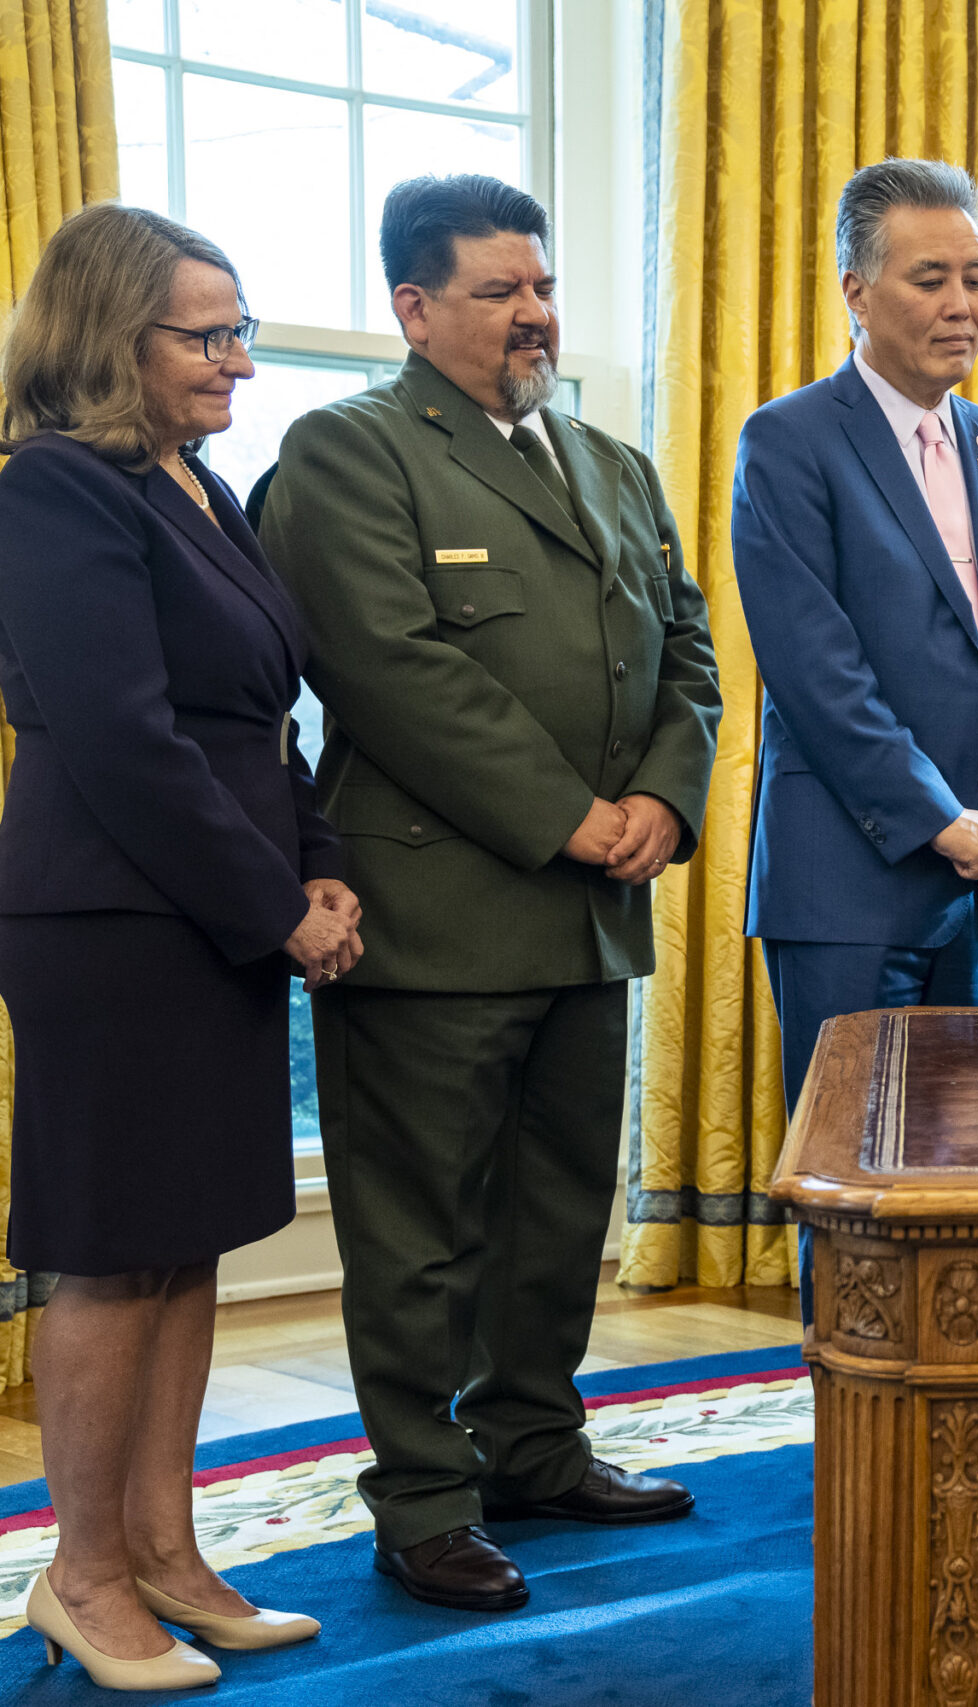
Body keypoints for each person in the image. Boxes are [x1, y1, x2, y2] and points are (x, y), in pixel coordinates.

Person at [260, 175, 721, 1611]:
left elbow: (690, 655)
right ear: (412, 306)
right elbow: (393, 673)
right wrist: (574, 815)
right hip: (436, 919)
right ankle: (422, 1498)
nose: (536, 313)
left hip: (589, 919)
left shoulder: (612, 464)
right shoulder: (349, 453)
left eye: (542, 285)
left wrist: (662, 798)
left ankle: (533, 1443)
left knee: (557, 1210)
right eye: (498, 290)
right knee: (420, 1237)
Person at [0, 204, 350, 1687]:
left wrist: (318, 870)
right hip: (114, 916)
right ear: (108, 338)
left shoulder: (199, 486)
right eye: (206, 335)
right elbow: (126, 742)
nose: (237, 362)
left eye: (241, 329)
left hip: (219, 909)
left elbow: (275, 718)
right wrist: (273, 904)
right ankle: (79, 1573)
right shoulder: (54, 491)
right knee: (108, 1251)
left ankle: (164, 1546)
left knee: (187, 1240)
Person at [728, 160, 978, 1304]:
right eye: (931, 278)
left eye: (976, 277)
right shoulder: (786, 443)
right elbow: (817, 674)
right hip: (850, 878)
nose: (962, 304)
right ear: (857, 292)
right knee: (853, 1184)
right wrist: (941, 822)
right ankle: (842, 1443)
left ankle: (944, 1444)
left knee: (957, 1174)